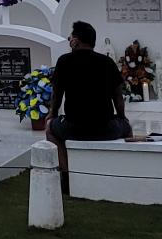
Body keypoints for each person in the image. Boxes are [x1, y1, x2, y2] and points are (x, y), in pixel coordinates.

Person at [45, 21, 128, 194]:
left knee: (50, 129)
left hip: (74, 127)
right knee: (127, 128)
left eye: (71, 37)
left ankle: (67, 175)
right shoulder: (107, 62)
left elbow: (57, 95)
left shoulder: (64, 61)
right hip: (106, 127)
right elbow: (118, 97)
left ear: (76, 40)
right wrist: (122, 118)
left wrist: (51, 115)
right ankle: (126, 173)